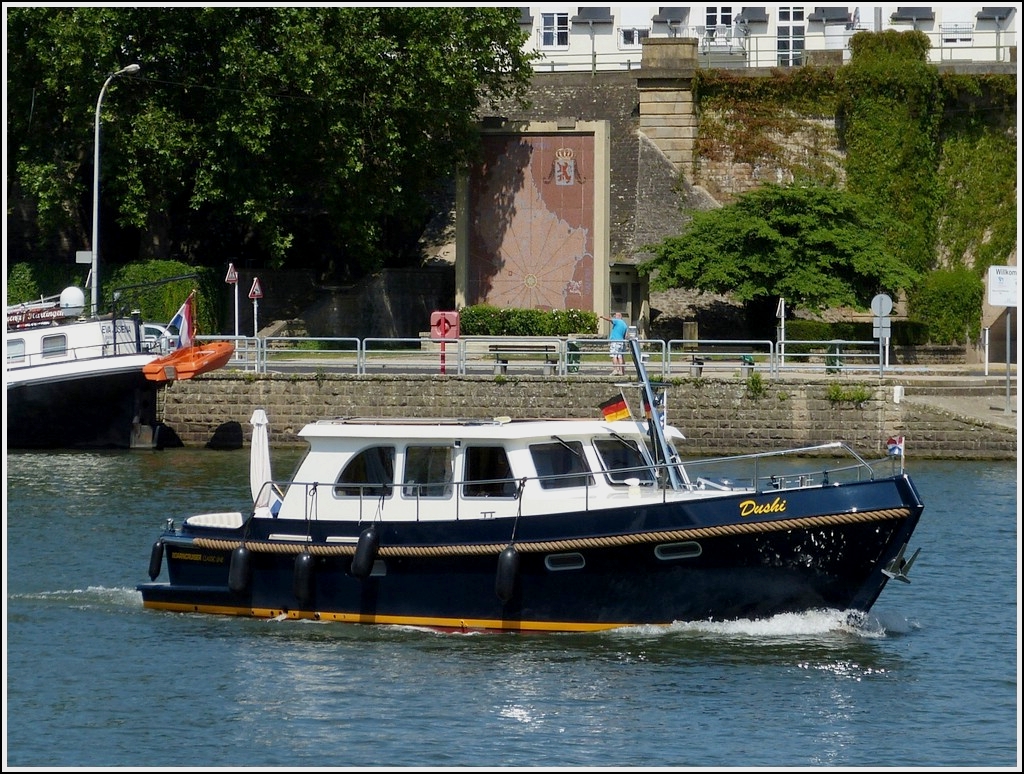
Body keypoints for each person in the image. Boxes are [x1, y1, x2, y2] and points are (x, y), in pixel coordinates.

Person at [601, 311, 628, 376]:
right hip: (621, 342)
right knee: (620, 356)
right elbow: (626, 335)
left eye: (615, 316)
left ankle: (615, 370)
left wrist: (603, 317)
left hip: (615, 341)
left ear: (619, 316)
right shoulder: (625, 324)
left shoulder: (618, 321)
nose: (614, 317)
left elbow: (609, 319)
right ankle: (621, 371)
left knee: (614, 355)